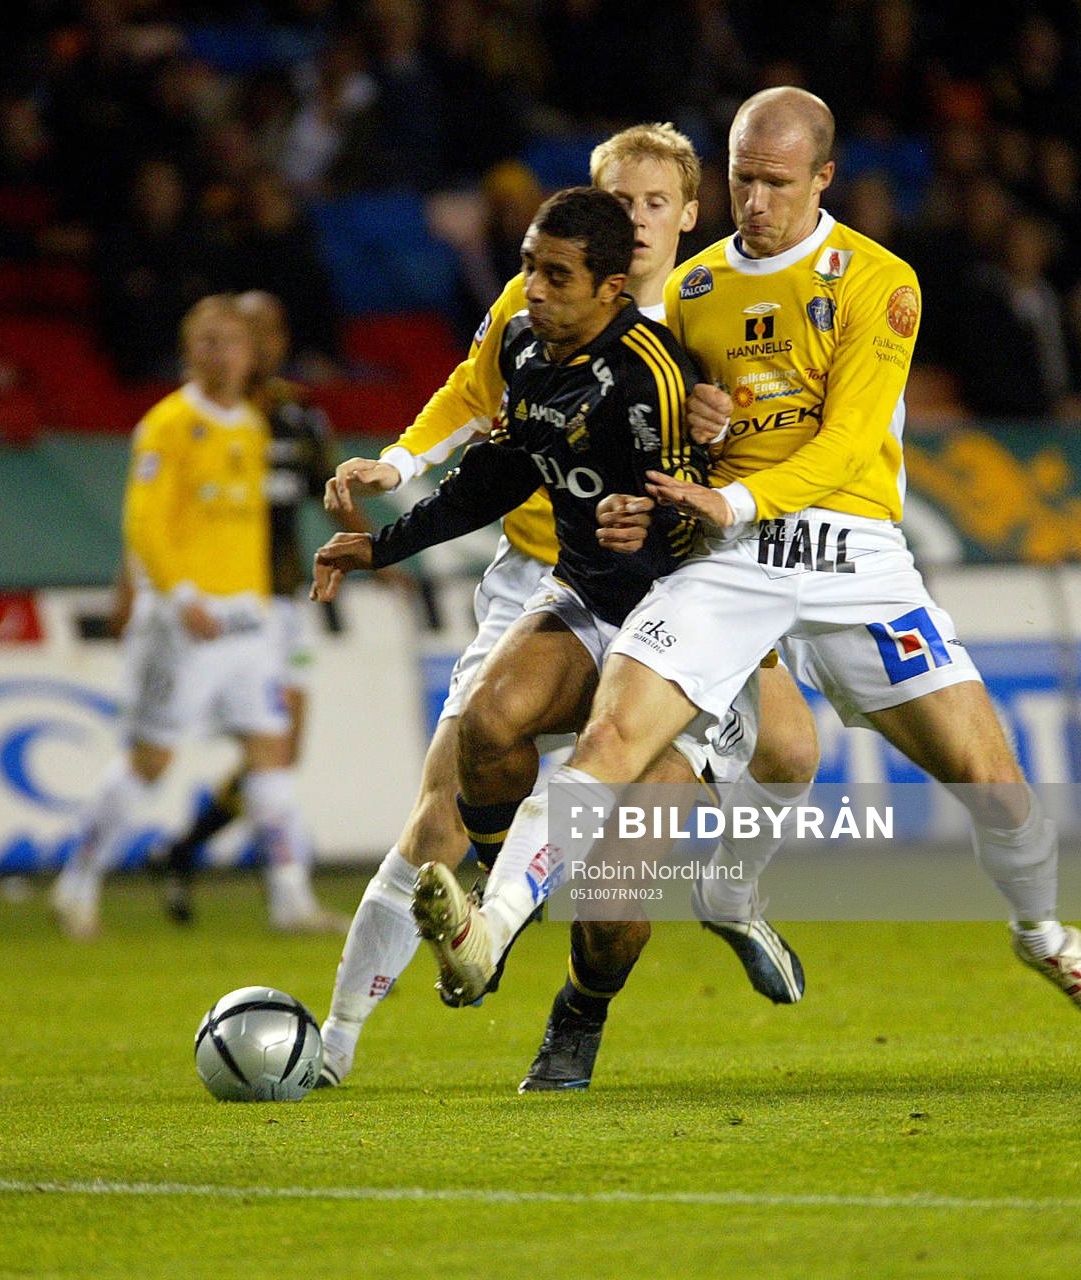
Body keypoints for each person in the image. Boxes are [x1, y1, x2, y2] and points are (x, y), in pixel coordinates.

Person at [428, 87, 1081, 1031]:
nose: (754, 201)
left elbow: (847, 443)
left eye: (775, 182)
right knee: (612, 741)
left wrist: (735, 491)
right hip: (728, 558)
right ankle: (489, 931)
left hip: (854, 556)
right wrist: (692, 451)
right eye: (740, 180)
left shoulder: (877, 279)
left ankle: (1039, 929)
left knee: (995, 786)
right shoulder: (691, 291)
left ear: (822, 179)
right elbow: (652, 417)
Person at [314, 123, 823, 1090]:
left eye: (652, 204)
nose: (633, 222)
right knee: (455, 785)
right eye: (617, 202)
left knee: (681, 829)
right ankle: (346, 1033)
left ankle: (588, 991)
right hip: (562, 575)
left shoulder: (720, 309)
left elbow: (771, 441)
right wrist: (395, 488)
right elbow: (486, 428)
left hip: (689, 590)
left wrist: (708, 453)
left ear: (685, 215)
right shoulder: (538, 299)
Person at [50, 294, 339, 939]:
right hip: (184, 622)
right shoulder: (168, 424)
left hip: (248, 620)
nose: (221, 353)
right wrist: (180, 597)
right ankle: (77, 883)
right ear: (188, 352)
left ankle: (291, 898)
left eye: (231, 341)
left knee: (271, 750)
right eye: (206, 340)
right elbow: (144, 522)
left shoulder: (252, 426)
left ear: (251, 352)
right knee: (151, 761)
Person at [152, 290, 363, 925]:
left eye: (271, 329)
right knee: (258, 742)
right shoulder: (207, 415)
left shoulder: (297, 415)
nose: (263, 342)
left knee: (281, 745)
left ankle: (187, 851)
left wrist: (372, 552)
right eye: (249, 330)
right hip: (221, 602)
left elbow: (334, 492)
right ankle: (282, 890)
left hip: (283, 597)